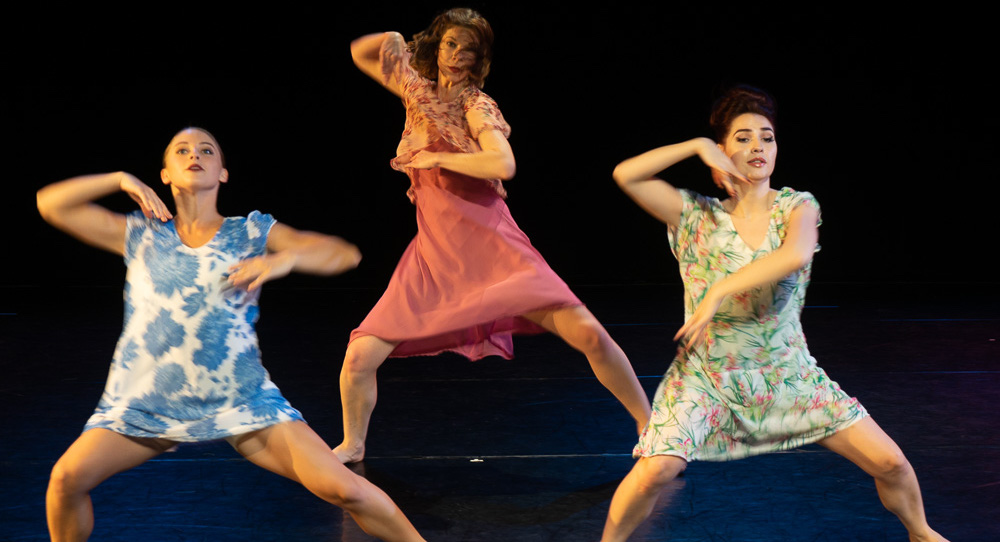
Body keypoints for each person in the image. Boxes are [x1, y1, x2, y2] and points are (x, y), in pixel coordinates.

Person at [37, 127, 425, 542]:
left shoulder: (250, 232)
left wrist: (284, 260)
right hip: (146, 401)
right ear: (164, 173)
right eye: (181, 150)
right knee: (65, 480)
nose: (195, 155)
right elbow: (51, 203)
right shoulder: (141, 234)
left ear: (223, 173)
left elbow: (343, 254)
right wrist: (119, 179)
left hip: (241, 399)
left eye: (207, 150)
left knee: (344, 489)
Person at [601, 86, 947, 541]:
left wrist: (720, 290)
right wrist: (696, 146)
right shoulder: (695, 215)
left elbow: (796, 255)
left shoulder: (797, 206)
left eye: (766, 137)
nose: (757, 147)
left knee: (890, 462)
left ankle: (921, 533)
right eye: (742, 138)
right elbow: (626, 174)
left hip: (787, 375)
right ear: (723, 151)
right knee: (654, 470)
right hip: (709, 378)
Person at [335, 7, 651, 463]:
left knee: (589, 335)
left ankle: (650, 425)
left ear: (480, 58)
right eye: (451, 44)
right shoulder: (415, 90)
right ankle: (353, 444)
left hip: (492, 244)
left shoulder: (475, 104)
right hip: (434, 256)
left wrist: (440, 159)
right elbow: (361, 51)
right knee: (360, 356)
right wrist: (406, 37)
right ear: (437, 45)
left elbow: (503, 165)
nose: (459, 55)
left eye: (470, 48)